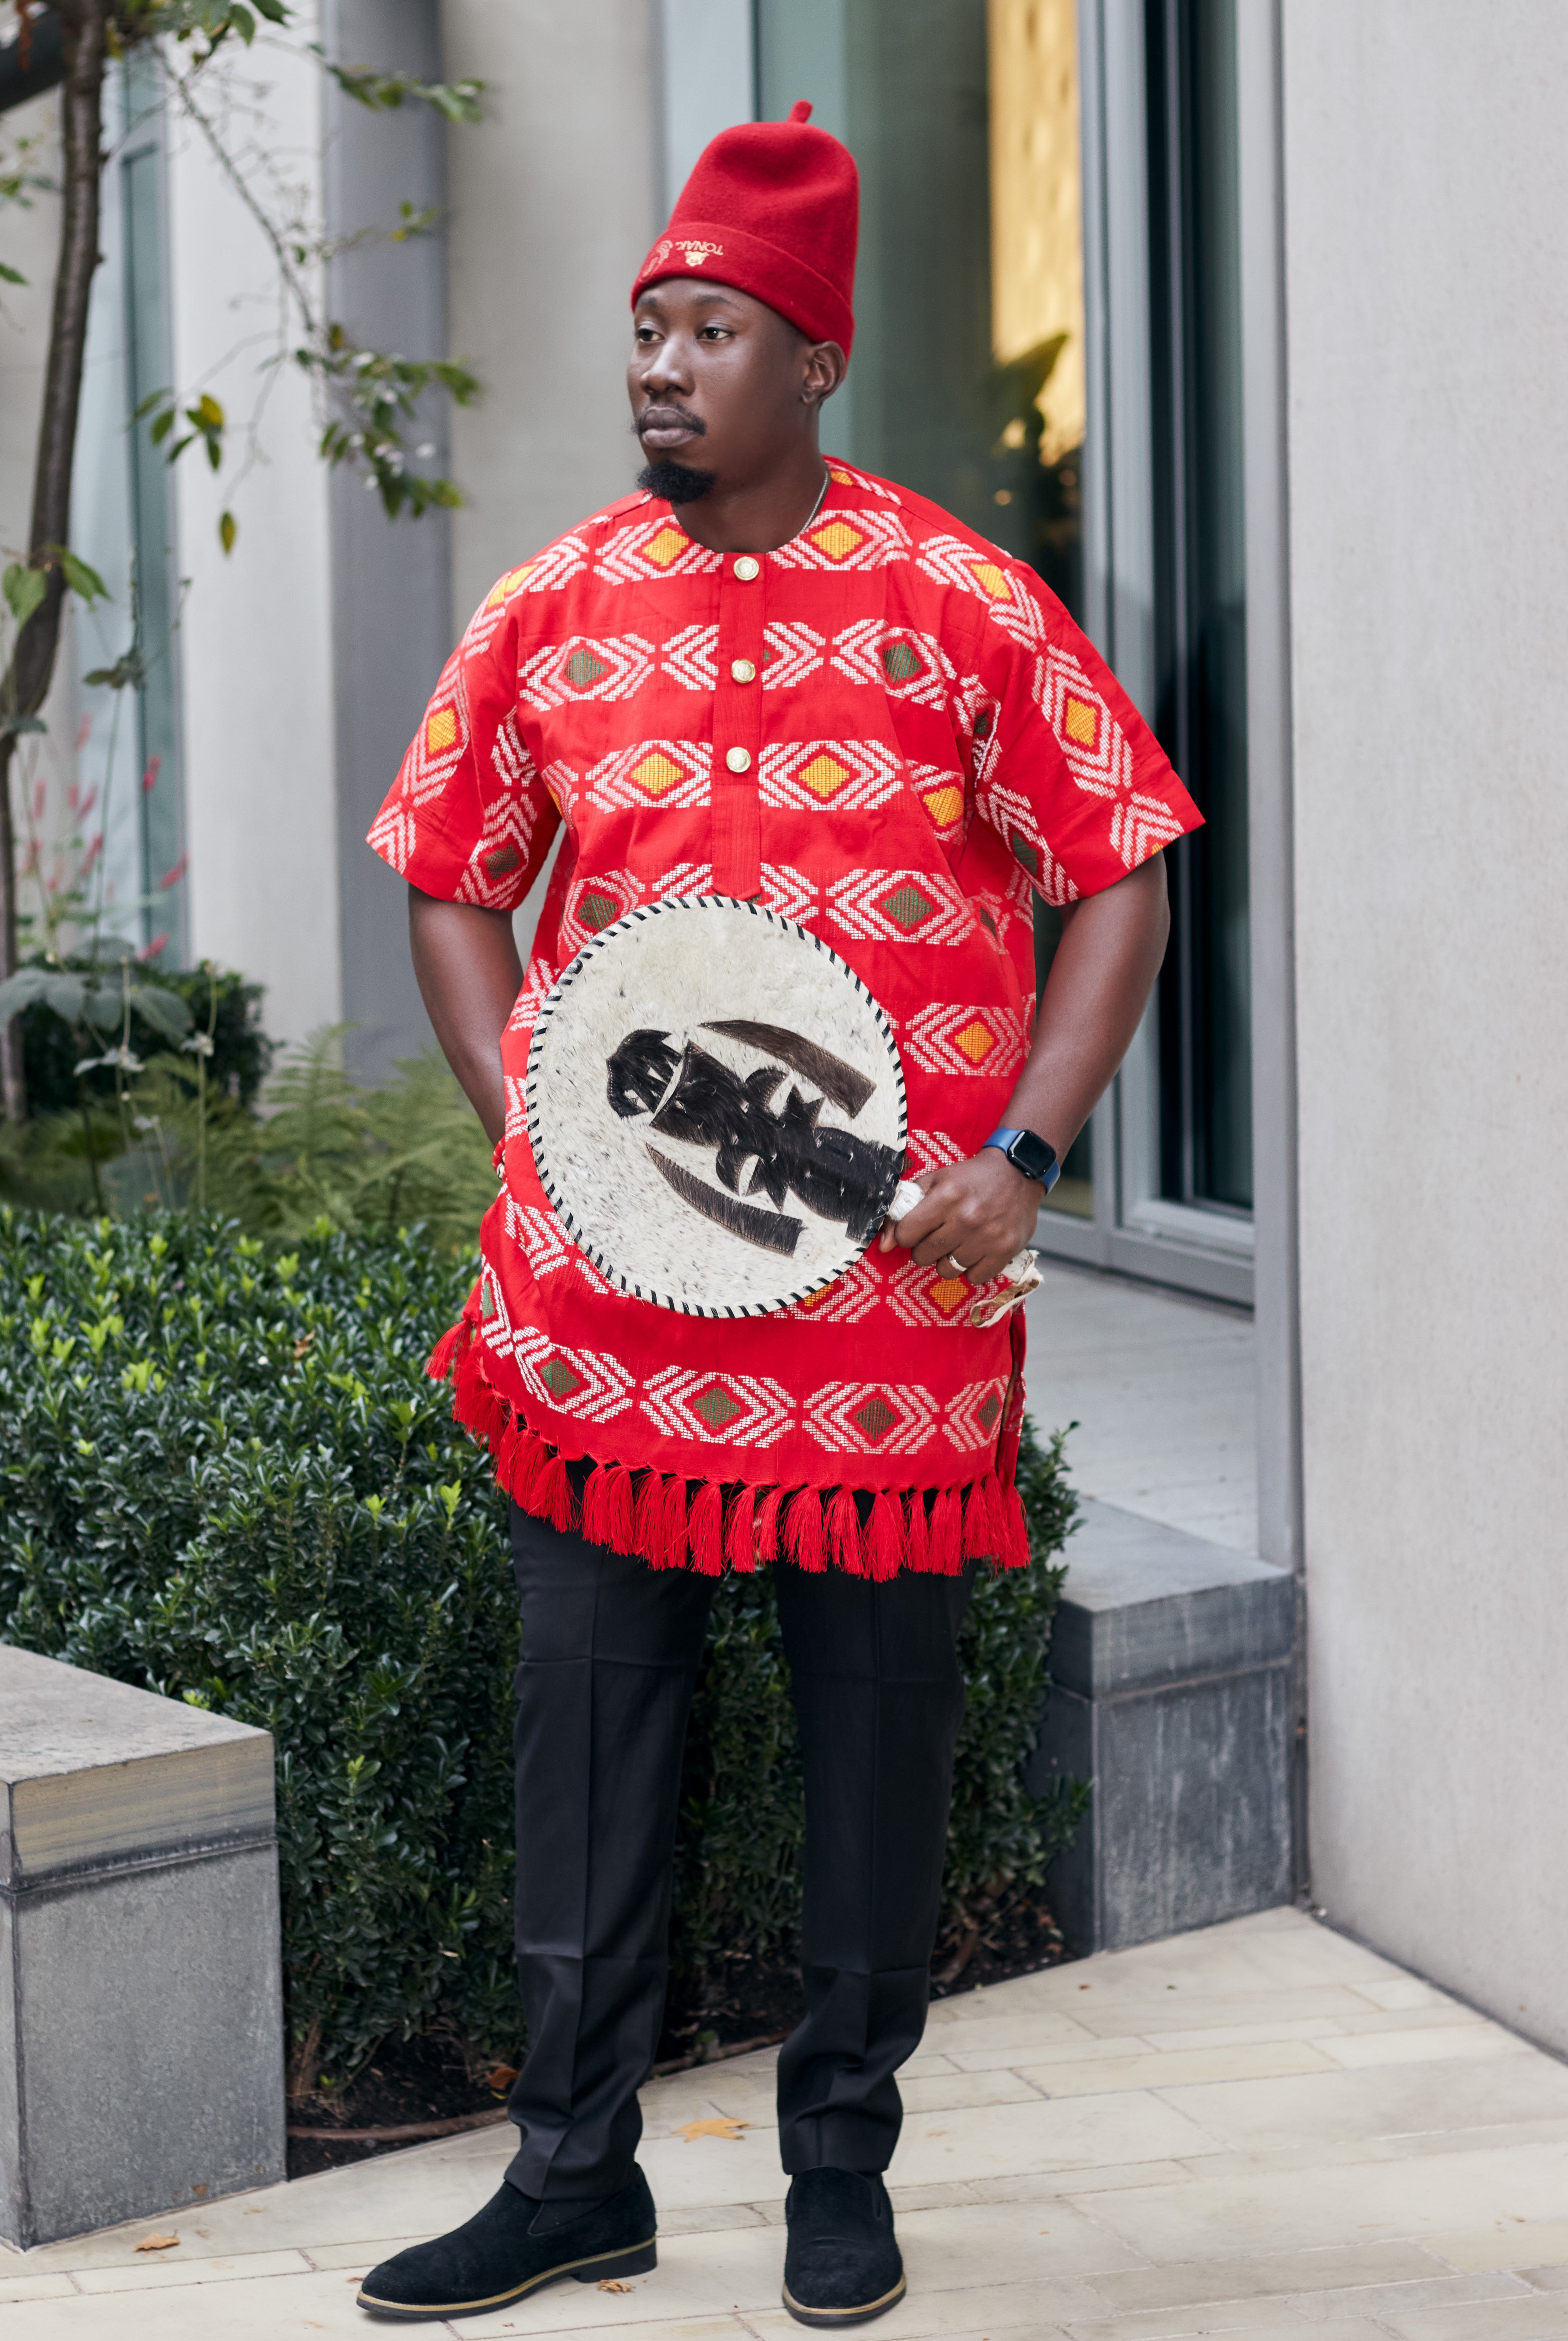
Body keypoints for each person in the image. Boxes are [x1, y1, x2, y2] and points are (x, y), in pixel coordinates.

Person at [355, 102, 1199, 2330]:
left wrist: (1020, 1156)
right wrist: (531, 1111)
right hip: (604, 1311)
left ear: (810, 357)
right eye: (645, 328)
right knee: (592, 1722)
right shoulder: (549, 610)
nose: (660, 365)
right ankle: (572, 2170)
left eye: (708, 329)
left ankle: (844, 2158)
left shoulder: (962, 603)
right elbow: (449, 874)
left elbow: (1123, 860)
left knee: (869, 1736)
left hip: (887, 1295)